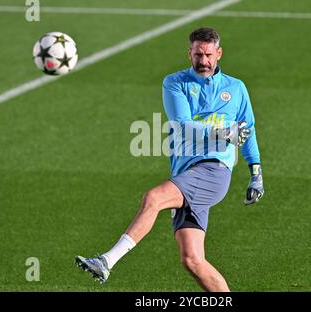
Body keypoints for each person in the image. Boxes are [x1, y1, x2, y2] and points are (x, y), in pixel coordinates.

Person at [75, 27, 264, 292]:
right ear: (189, 53)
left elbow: (248, 129)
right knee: (192, 260)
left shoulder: (236, 88)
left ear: (219, 53)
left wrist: (256, 174)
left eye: (209, 55)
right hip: (186, 172)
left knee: (153, 198)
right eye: (198, 54)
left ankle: (106, 261)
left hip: (213, 171)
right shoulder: (175, 83)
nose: (204, 61)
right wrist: (222, 131)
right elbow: (183, 126)